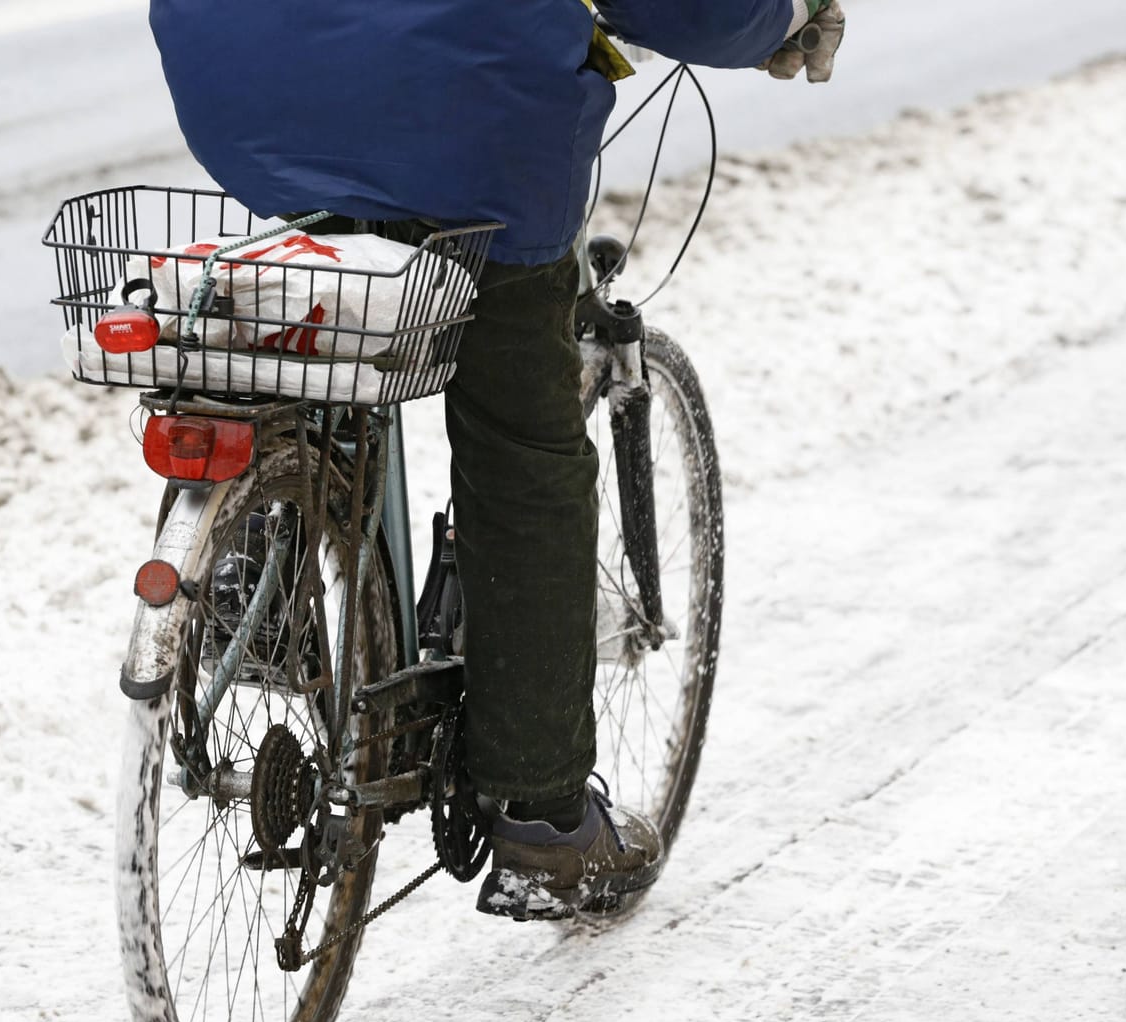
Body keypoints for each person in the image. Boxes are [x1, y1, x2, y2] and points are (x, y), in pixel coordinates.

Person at [148, 0, 845, 920]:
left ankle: (273, 544)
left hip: (242, 93)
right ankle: (542, 817)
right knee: (523, 443)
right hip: (464, 122)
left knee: (335, 312)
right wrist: (780, 20)